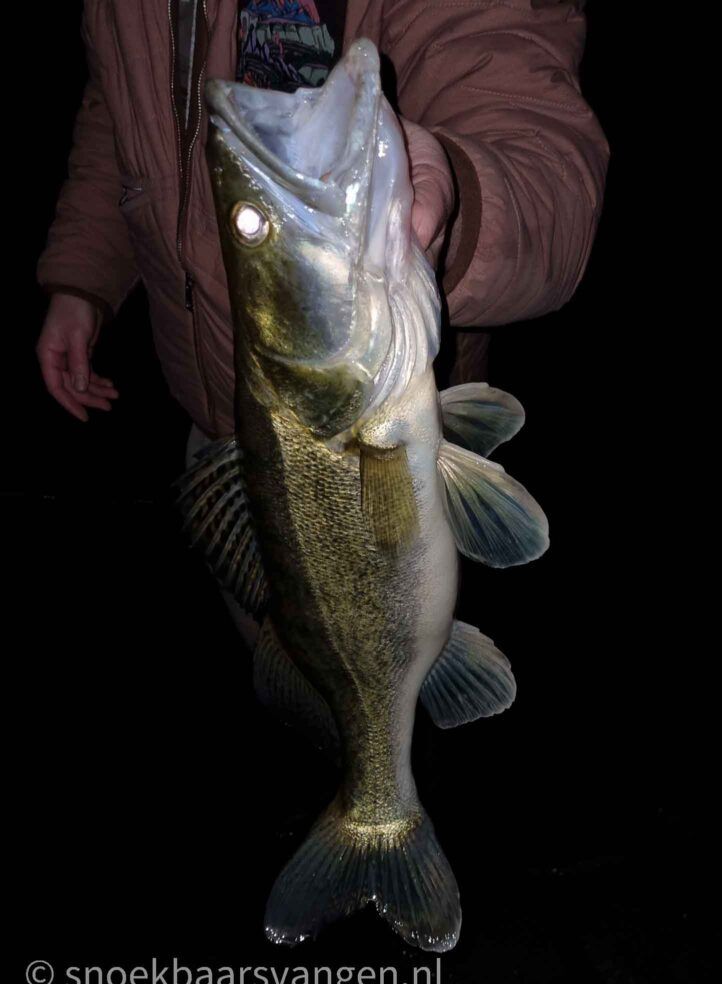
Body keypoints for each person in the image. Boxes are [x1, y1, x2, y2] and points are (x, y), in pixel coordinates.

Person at [35, 0, 608, 640]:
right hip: (219, 438)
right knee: (295, 662)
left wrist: (459, 207)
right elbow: (117, 111)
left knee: (395, 671)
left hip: (380, 434)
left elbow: (543, 160)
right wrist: (84, 278)